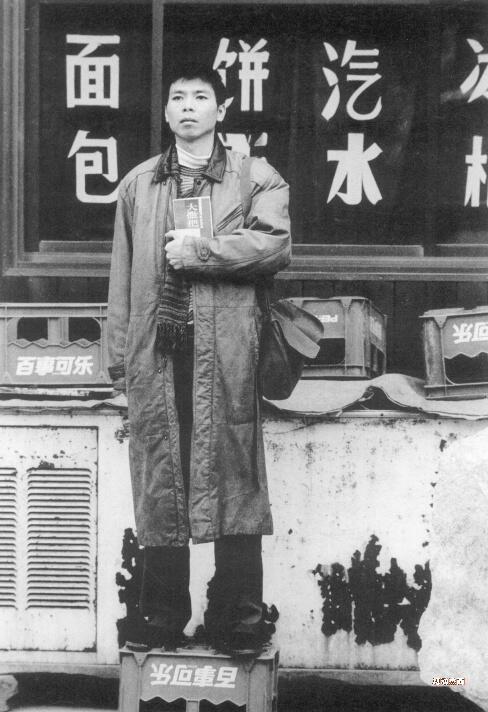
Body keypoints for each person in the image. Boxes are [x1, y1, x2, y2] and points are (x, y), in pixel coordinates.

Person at [107, 62, 291, 655]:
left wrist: (203, 251)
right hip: (157, 356)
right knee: (161, 479)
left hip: (228, 355)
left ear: (221, 109)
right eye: (178, 98)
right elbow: (120, 279)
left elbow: (275, 245)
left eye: (201, 97)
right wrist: (119, 362)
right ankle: (161, 613)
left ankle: (238, 615)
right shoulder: (139, 185)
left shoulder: (254, 177)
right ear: (166, 112)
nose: (188, 106)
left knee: (234, 476)